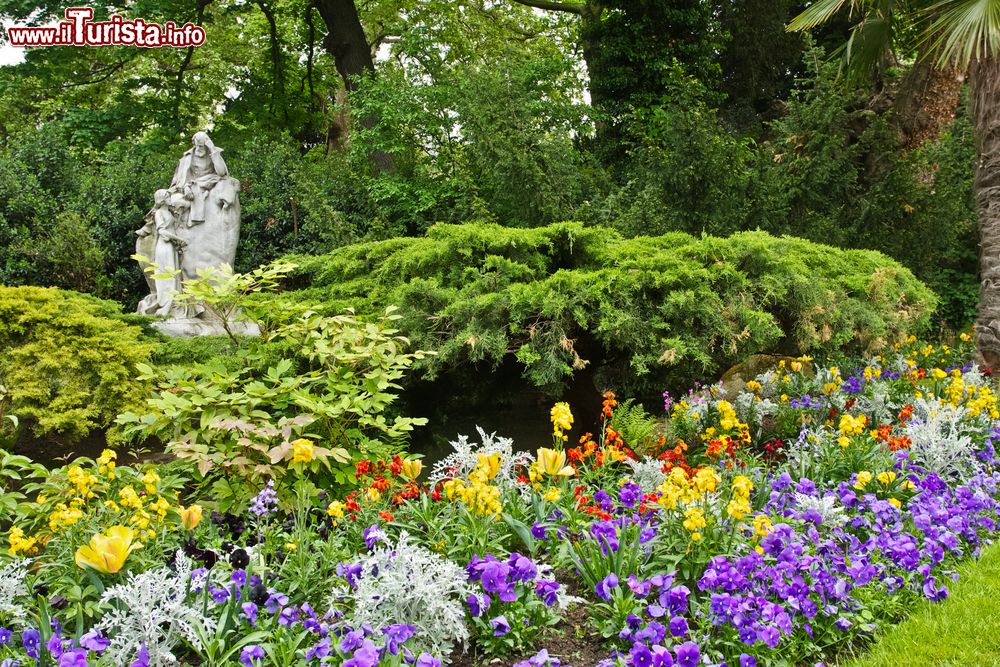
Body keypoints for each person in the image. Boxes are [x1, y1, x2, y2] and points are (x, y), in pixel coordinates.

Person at [135, 189, 187, 315]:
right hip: (164, 247)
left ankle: (175, 302)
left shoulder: (168, 212)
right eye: (168, 197)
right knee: (167, 274)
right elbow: (162, 232)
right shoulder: (159, 213)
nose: (170, 199)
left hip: (171, 246)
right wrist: (179, 239)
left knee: (173, 274)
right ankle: (166, 303)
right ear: (162, 199)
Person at [168, 131, 230, 226]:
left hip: (209, 181)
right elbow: (181, 178)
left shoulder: (213, 154)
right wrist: (186, 187)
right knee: (173, 200)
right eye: (197, 146)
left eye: (202, 146)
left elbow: (221, 173)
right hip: (190, 185)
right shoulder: (188, 157)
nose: (199, 148)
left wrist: (213, 150)